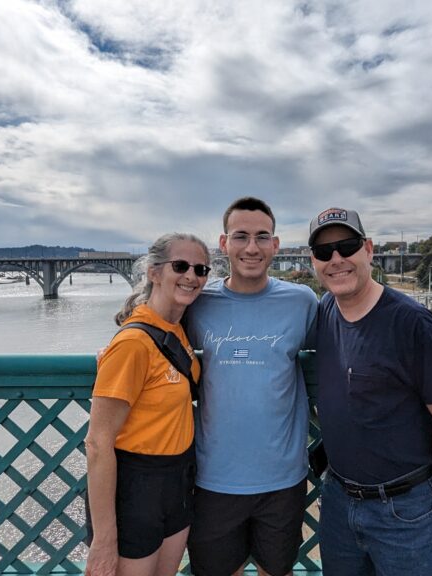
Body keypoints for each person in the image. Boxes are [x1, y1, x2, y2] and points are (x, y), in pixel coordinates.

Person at [308, 207, 432, 576]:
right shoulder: (325, 311)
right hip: (338, 501)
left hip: (405, 509)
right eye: (324, 253)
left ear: (368, 249)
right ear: (314, 262)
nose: (336, 259)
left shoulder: (412, 322)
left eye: (347, 246)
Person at [183, 197, 319, 576]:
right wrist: (119, 342)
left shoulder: (301, 301)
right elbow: (156, 329)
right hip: (214, 476)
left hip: (283, 477)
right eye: (241, 237)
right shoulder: (198, 302)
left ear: (275, 245)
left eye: (262, 237)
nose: (252, 247)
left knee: (276, 571)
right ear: (223, 244)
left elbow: (339, 347)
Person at [84, 233, 212, 576]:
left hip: (178, 484)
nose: (192, 276)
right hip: (135, 490)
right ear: (154, 272)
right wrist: (104, 540)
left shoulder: (177, 330)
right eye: (181, 266)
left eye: (201, 269)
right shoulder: (132, 344)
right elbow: (97, 444)